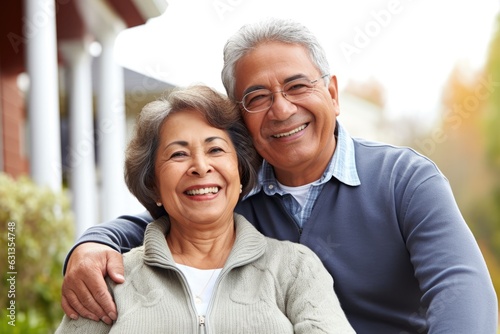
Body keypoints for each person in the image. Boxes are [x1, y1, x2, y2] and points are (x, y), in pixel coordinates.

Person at [61, 18, 498, 333]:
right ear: (240, 118)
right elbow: (164, 217)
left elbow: (463, 294)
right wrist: (92, 243)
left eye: (297, 86)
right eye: (257, 97)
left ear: (332, 93)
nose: (282, 109)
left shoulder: (404, 180)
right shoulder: (235, 188)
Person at [56, 85, 355, 333]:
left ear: (240, 173)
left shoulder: (295, 268)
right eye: (178, 154)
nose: (200, 167)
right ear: (154, 185)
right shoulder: (110, 280)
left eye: (215, 149)